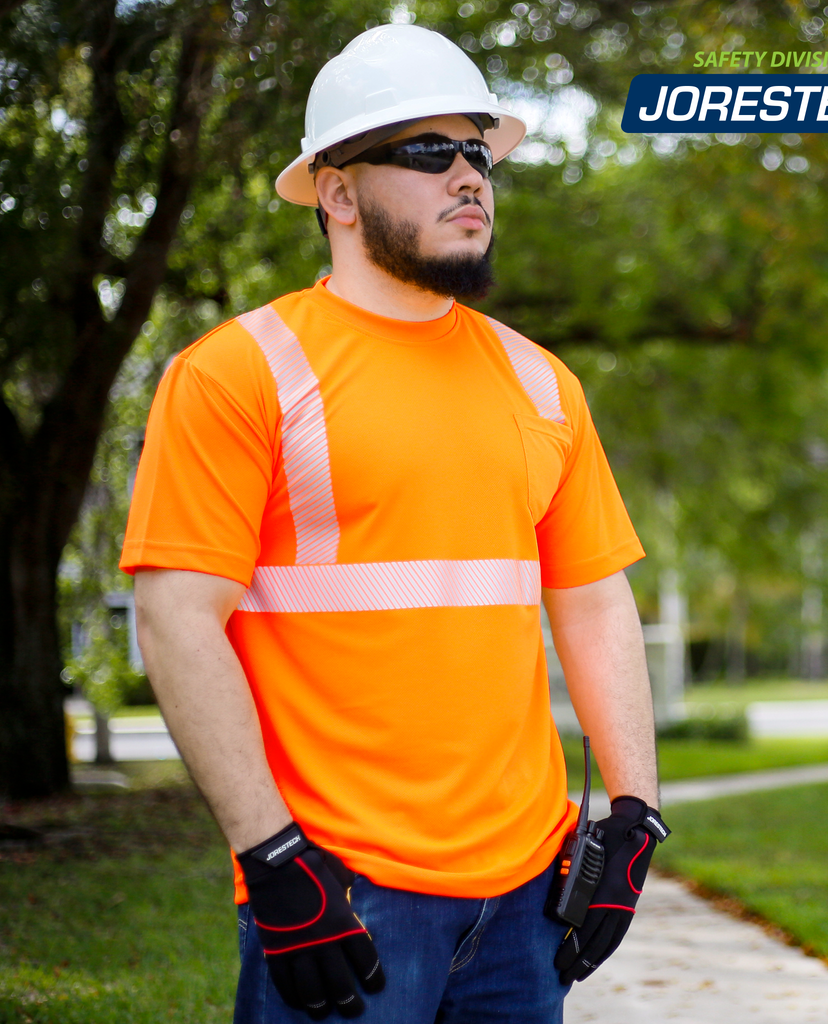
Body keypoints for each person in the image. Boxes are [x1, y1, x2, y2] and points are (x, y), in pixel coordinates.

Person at [121, 23, 667, 1024]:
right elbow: (175, 621)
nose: (469, 174)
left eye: (478, 150)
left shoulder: (542, 382)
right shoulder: (239, 373)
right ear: (337, 192)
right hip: (341, 894)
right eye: (429, 151)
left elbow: (592, 601)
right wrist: (271, 855)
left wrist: (633, 814)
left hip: (526, 900)